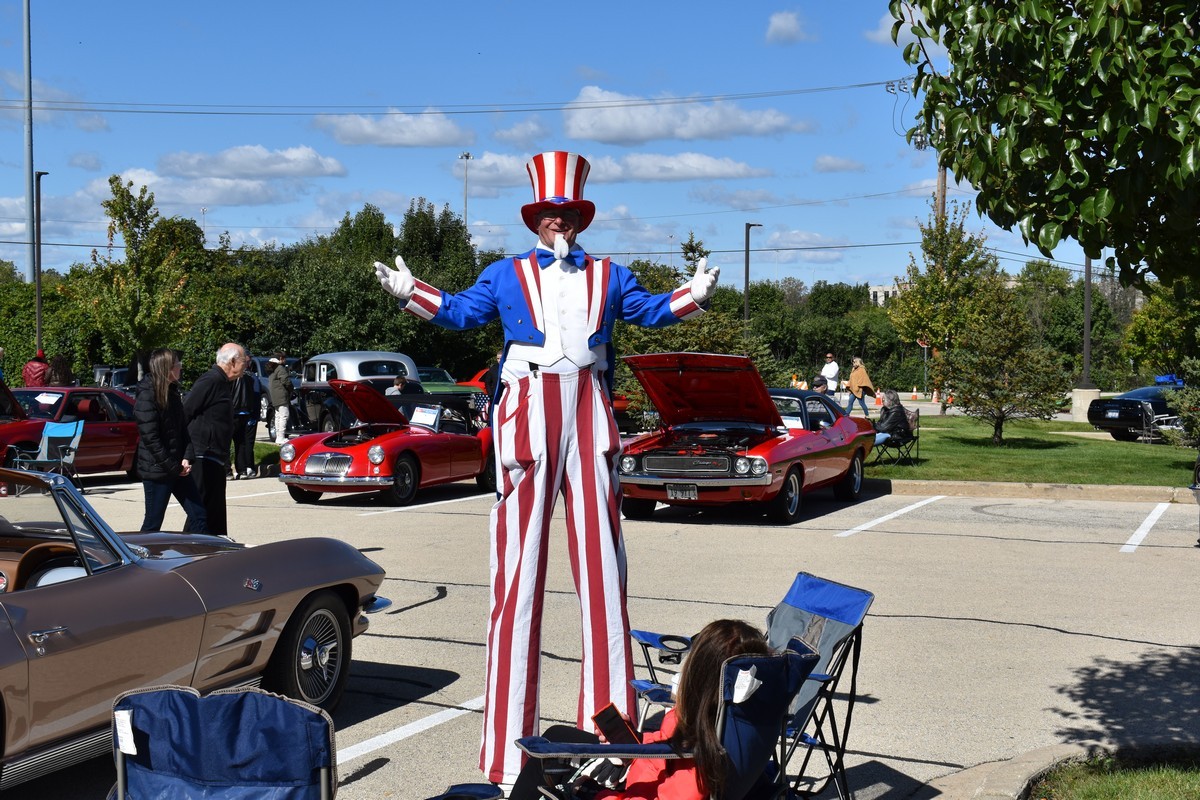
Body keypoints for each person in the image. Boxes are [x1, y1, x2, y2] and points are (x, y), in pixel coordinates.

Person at [373, 150, 720, 787]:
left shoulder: (610, 275)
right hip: (527, 407)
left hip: (589, 404)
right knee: (518, 573)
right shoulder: (504, 274)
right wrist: (411, 292)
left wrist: (692, 296)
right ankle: (509, 754)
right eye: (549, 213)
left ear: (580, 219)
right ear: (535, 219)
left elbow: (649, 310)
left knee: (603, 569)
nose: (559, 222)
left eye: (568, 213)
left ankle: (611, 746)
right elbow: (459, 312)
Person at [508, 619, 773, 800]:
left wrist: (597, 793)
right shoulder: (739, 716)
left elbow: (675, 792)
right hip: (646, 764)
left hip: (637, 787)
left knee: (545, 755)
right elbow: (667, 745)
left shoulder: (700, 747)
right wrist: (635, 741)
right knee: (557, 733)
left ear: (699, 674)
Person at [134, 348, 207, 532]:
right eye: (177, 364)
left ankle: (195, 550)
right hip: (158, 470)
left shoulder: (172, 392)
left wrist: (187, 457)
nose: (180, 367)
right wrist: (173, 467)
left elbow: (182, 429)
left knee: (199, 515)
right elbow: (151, 439)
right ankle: (141, 551)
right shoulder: (147, 395)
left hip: (177, 468)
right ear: (166, 368)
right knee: (152, 524)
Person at [184, 343, 248, 536]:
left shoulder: (223, 382)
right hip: (203, 456)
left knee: (215, 514)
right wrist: (186, 452)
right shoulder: (210, 380)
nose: (246, 365)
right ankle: (189, 549)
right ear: (233, 361)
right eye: (244, 361)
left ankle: (216, 547)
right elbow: (185, 412)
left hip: (215, 457)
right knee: (200, 513)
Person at [230, 366, 260, 479]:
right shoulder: (250, 377)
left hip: (232, 413)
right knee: (241, 443)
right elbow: (254, 395)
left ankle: (227, 471)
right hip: (245, 413)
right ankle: (242, 470)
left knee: (226, 443)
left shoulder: (230, 378)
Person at [267, 353, 294, 446]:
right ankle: (281, 437)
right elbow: (286, 381)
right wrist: (291, 389)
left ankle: (279, 437)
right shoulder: (280, 368)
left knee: (278, 416)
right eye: (284, 359)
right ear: (281, 358)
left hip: (274, 396)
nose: (285, 360)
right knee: (284, 416)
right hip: (282, 396)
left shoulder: (272, 369)